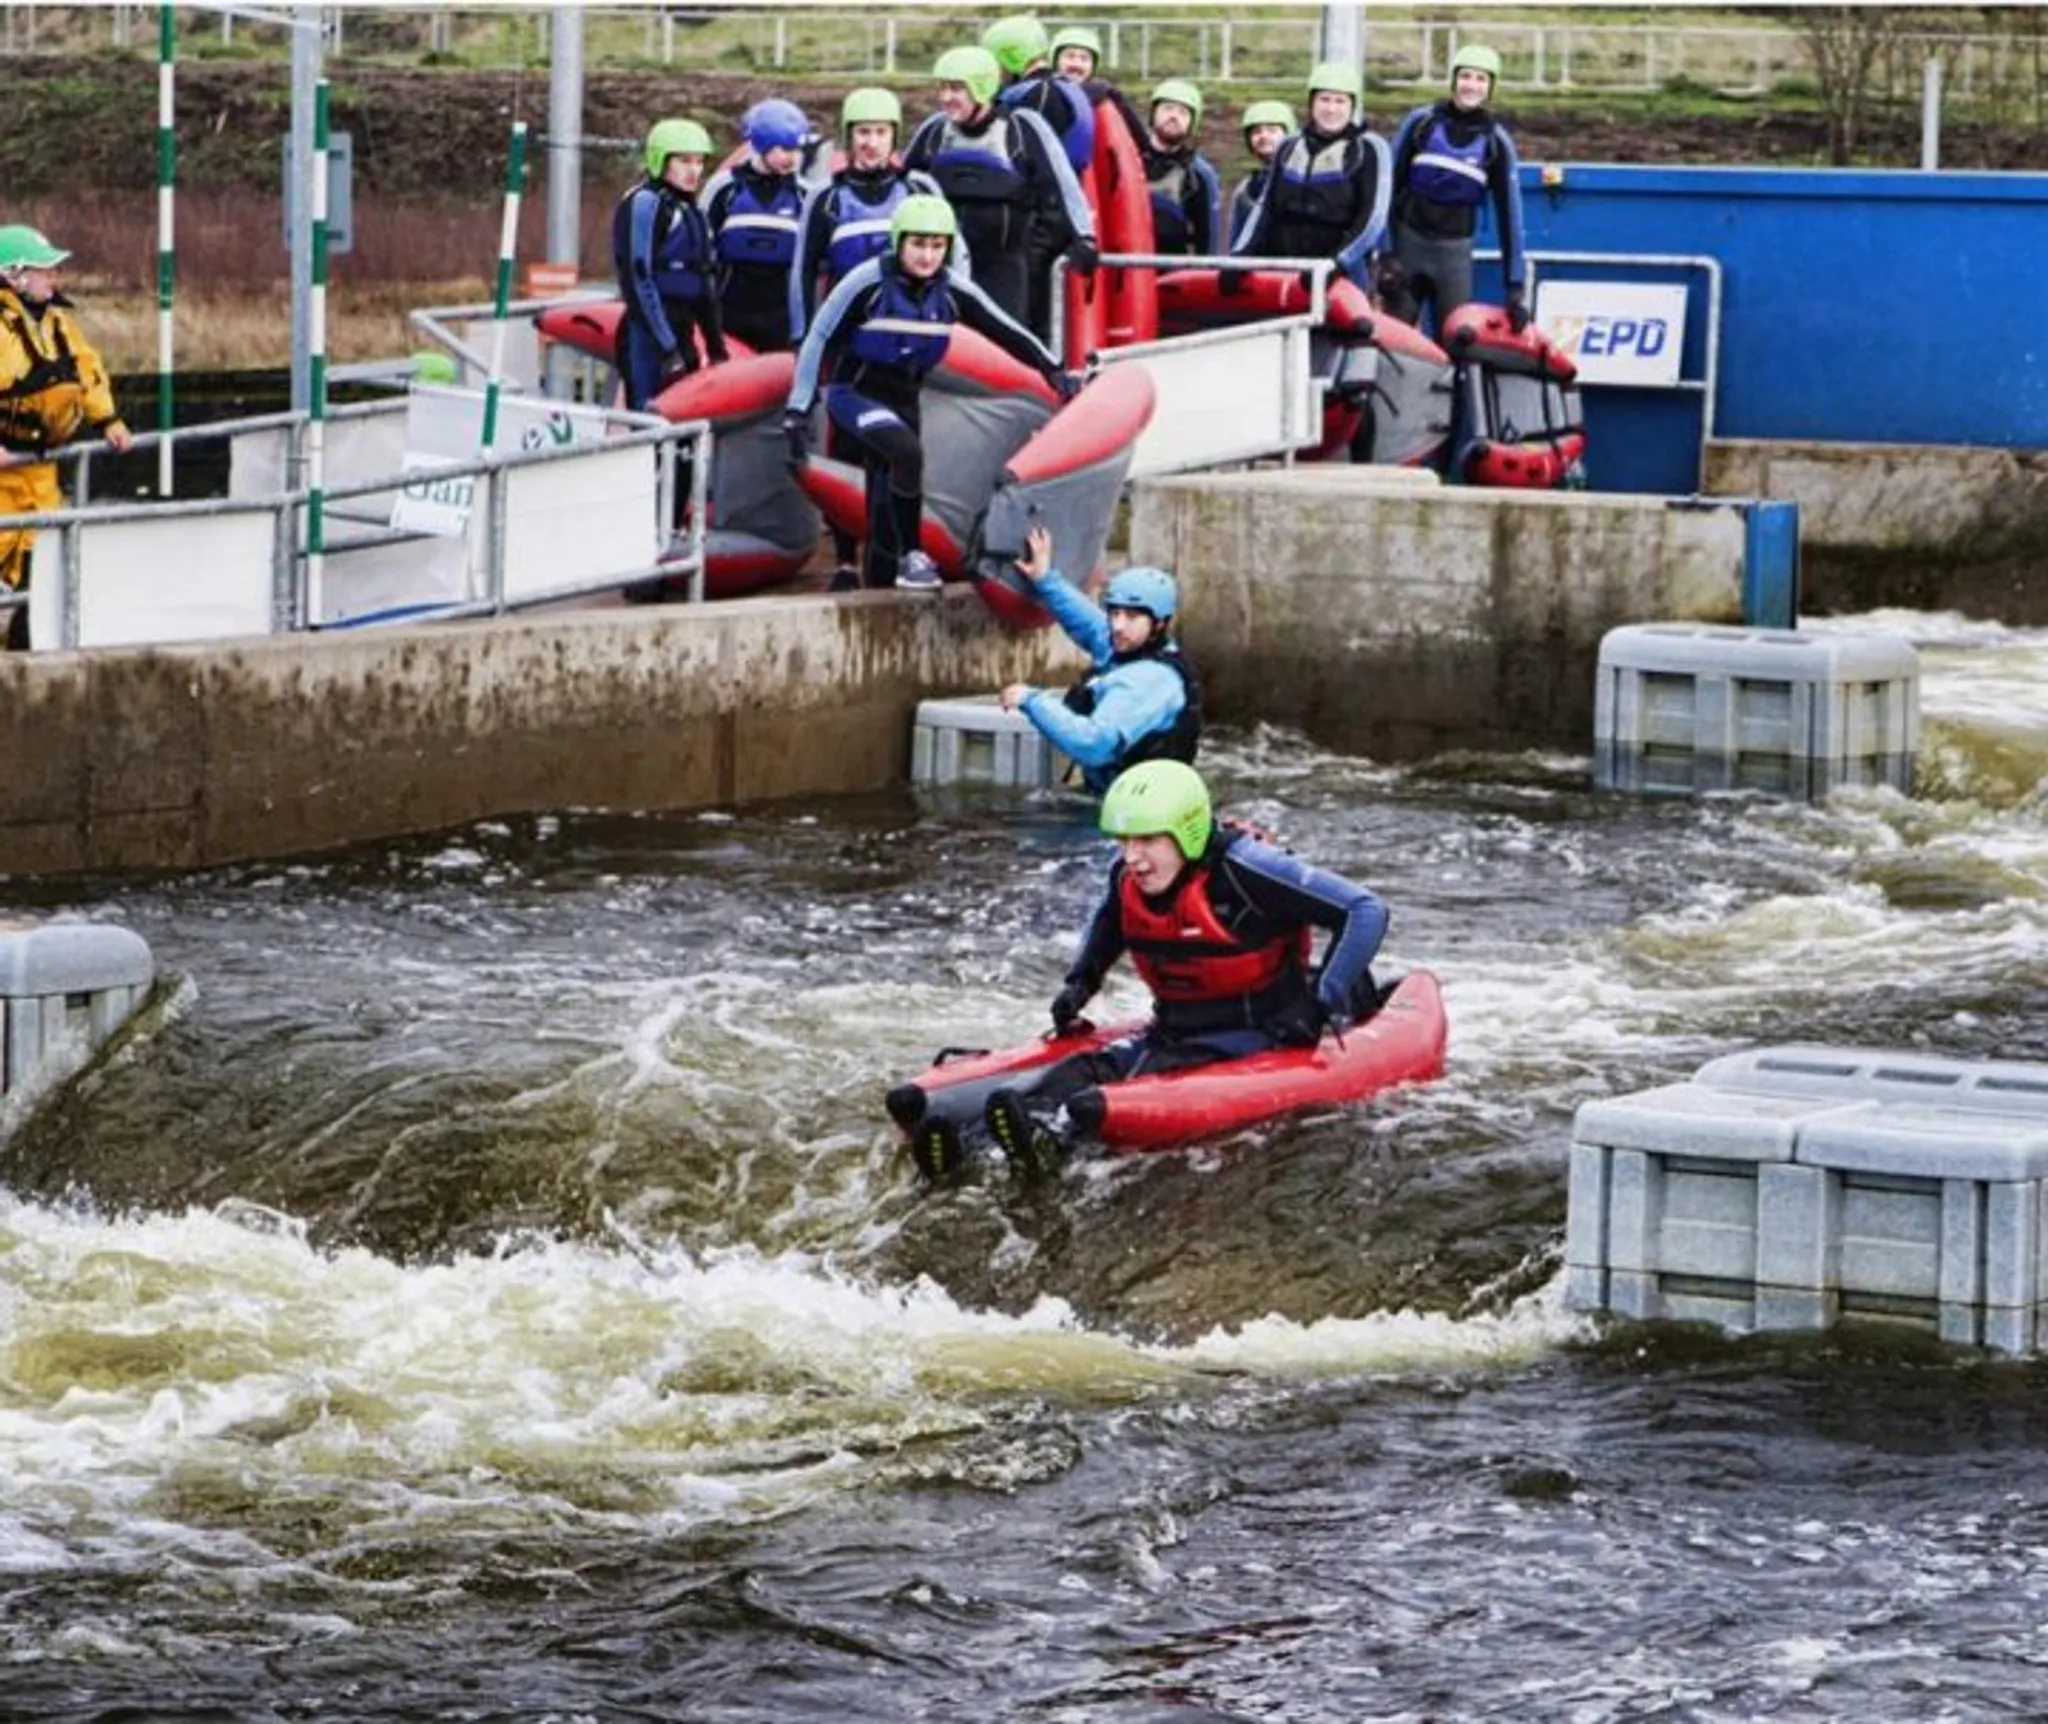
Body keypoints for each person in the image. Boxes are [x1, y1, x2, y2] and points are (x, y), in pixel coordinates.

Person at [893, 760, 1390, 1184]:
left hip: (1260, 1035)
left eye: (1149, 839)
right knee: (1073, 1075)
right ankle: (965, 1147)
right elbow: (1107, 927)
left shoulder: (1249, 870)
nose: (1134, 857)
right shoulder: (1128, 877)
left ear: (1187, 832)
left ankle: (1050, 1148)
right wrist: (1078, 987)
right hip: (1174, 1032)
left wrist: (1321, 1000)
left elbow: (1365, 910)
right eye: (1126, 840)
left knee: (1090, 1106)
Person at [783, 195, 1075, 593]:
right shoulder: (865, 282)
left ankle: (882, 589)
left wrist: (1053, 369)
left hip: (906, 400)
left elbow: (1007, 331)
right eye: (918, 244)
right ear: (898, 242)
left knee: (885, 500)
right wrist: (799, 407)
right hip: (854, 394)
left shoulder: (953, 291)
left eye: (937, 246)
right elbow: (819, 336)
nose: (927, 256)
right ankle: (913, 557)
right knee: (906, 453)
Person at [791, 87, 950, 589]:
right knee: (848, 453)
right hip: (847, 343)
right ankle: (844, 560)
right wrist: (801, 336)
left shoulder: (919, 189)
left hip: (903, 342)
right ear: (848, 137)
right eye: (862, 132)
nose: (871, 143)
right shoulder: (829, 198)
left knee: (897, 454)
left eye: (880, 132)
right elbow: (801, 272)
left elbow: (954, 262)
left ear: (894, 138)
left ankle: (886, 562)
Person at [904, 44, 1098, 342]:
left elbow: (1062, 183)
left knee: (1007, 342)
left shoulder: (1022, 129)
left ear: (981, 88)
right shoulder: (934, 132)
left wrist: (1084, 236)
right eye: (942, 88)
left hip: (1004, 267)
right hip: (943, 266)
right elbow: (903, 186)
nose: (945, 98)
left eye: (956, 89)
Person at [0, 224, 132, 651]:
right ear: (14, 274)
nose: (54, 279)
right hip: (4, 471)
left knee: (41, 566)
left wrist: (107, 420)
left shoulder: (58, 324)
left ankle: (26, 655)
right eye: (45, 270)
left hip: (41, 471)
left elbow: (86, 372)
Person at [997, 525, 1200, 793]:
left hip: (1137, 813)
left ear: (1159, 623)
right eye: (1114, 613)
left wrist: (1031, 700)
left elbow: (1093, 745)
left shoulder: (1149, 681)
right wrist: (1046, 579)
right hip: (1112, 795)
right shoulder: (1130, 644)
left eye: (1131, 616)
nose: (1118, 625)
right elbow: (1090, 625)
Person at [1388, 44, 1529, 335]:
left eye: (1481, 79)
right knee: (1391, 340)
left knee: (1453, 346)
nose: (1471, 85)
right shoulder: (1421, 123)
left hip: (1454, 257)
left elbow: (1510, 218)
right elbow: (1385, 190)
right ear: (1454, 80)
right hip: (1408, 248)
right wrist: (1387, 255)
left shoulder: (1496, 143)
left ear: (1490, 87)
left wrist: (1515, 287)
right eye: (1465, 76)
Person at [1230, 59, 1392, 297]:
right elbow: (1265, 208)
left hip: (1340, 274)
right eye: (1324, 99)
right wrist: (1240, 257)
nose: (1331, 109)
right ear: (1311, 103)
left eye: (1340, 101)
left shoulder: (1369, 149)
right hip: (1286, 271)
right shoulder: (1288, 146)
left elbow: (1372, 218)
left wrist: (1337, 263)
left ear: (1352, 106)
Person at [611, 118, 726, 414]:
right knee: (649, 416)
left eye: (699, 162)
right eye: (684, 161)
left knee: (683, 427)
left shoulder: (692, 211)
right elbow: (638, 276)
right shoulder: (645, 203)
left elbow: (705, 283)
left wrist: (715, 346)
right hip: (647, 334)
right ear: (661, 160)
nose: (694, 171)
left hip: (682, 330)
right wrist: (666, 345)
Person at [704, 98, 811, 354]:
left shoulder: (805, 195)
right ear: (762, 145)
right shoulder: (724, 188)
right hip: (729, 310)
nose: (793, 158)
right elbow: (701, 248)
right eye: (785, 149)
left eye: (797, 149)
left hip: (781, 316)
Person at [983, 14, 1096, 177]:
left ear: (1012, 57)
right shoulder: (1061, 87)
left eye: (997, 62)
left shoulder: (1040, 95)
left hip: (1039, 197)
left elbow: (1020, 156)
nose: (996, 70)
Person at [1140, 79, 1225, 258]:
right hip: (1124, 264)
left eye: (1183, 112)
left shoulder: (1199, 174)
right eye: (1167, 108)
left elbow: (1208, 238)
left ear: (1191, 123)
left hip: (1172, 270)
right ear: (1153, 114)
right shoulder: (1128, 160)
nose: (1174, 116)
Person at [1229, 100, 1295, 246]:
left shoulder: (1304, 180)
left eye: (1272, 130)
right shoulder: (1246, 189)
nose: (1263, 136)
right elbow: (1236, 238)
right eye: (1257, 131)